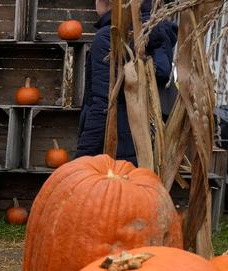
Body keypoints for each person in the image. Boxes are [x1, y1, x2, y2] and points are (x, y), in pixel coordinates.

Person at [76, 0, 178, 165]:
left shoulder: (109, 37)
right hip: (146, 153)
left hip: (110, 153)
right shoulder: (157, 35)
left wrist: (81, 159)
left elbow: (104, 106)